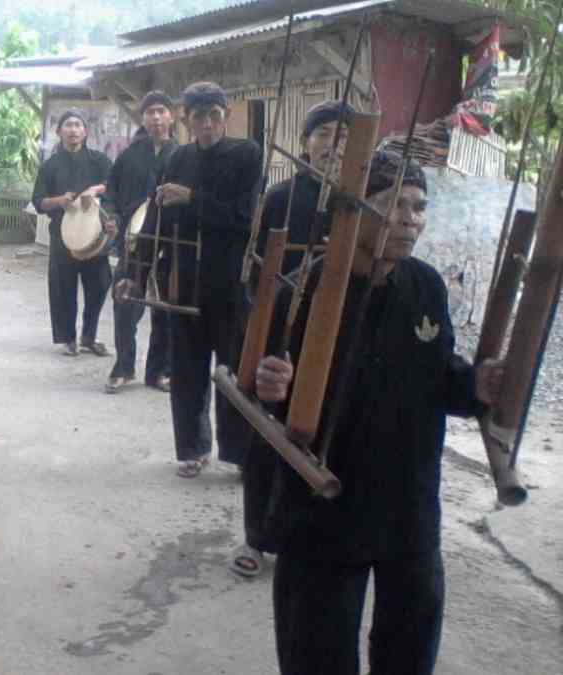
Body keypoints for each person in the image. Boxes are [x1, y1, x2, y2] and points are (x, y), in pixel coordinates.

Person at [253, 151, 504, 675]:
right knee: (316, 653)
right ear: (353, 211)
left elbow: (439, 379)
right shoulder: (300, 291)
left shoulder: (426, 286)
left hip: (408, 508)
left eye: (418, 207)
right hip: (324, 507)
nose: (410, 219)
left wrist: (473, 385)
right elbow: (257, 395)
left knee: (409, 649)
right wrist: (269, 388)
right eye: (393, 205)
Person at [231, 100, 355, 579]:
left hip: (341, 336)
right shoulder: (281, 197)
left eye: (344, 135)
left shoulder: (365, 200)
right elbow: (255, 271)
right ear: (306, 143)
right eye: (324, 133)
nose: (333, 143)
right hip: (283, 331)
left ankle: (314, 534)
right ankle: (256, 538)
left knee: (330, 432)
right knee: (269, 433)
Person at [119, 81, 259, 478]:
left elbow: (245, 217)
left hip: (230, 281)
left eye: (215, 115)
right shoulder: (177, 159)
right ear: (187, 119)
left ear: (226, 115)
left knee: (232, 371)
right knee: (187, 370)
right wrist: (137, 275)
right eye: (200, 116)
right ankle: (193, 450)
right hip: (181, 279)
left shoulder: (247, 154)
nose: (208, 124)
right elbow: (155, 222)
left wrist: (193, 199)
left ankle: (237, 452)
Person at [105, 91, 178, 394]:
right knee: (125, 302)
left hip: (170, 242)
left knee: (165, 307)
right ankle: (123, 367)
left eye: (162, 111)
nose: (156, 117)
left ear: (172, 116)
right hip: (134, 243)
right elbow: (110, 194)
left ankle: (159, 371)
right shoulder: (129, 155)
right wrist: (111, 218)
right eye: (150, 112)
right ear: (143, 118)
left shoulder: (183, 155)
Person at [32, 110, 116, 357]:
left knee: (99, 284)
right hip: (62, 235)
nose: (73, 129)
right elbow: (38, 201)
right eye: (67, 125)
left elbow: (116, 185)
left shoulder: (99, 161)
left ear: (85, 131)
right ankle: (68, 337)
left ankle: (89, 336)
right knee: (63, 287)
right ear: (59, 132)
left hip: (95, 235)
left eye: (78, 124)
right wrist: (58, 200)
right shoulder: (50, 166)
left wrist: (96, 189)